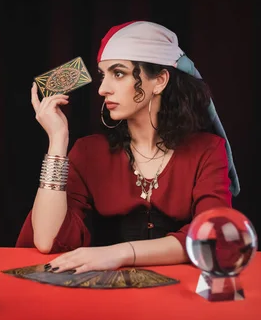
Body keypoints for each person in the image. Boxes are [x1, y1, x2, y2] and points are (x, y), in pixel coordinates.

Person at [16, 20, 240, 274]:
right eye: (103, 75)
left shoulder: (208, 150)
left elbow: (211, 236)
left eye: (118, 73)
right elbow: (45, 241)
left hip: (183, 296)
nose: (102, 89)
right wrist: (57, 141)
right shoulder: (88, 152)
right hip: (105, 300)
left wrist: (120, 253)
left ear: (159, 81)